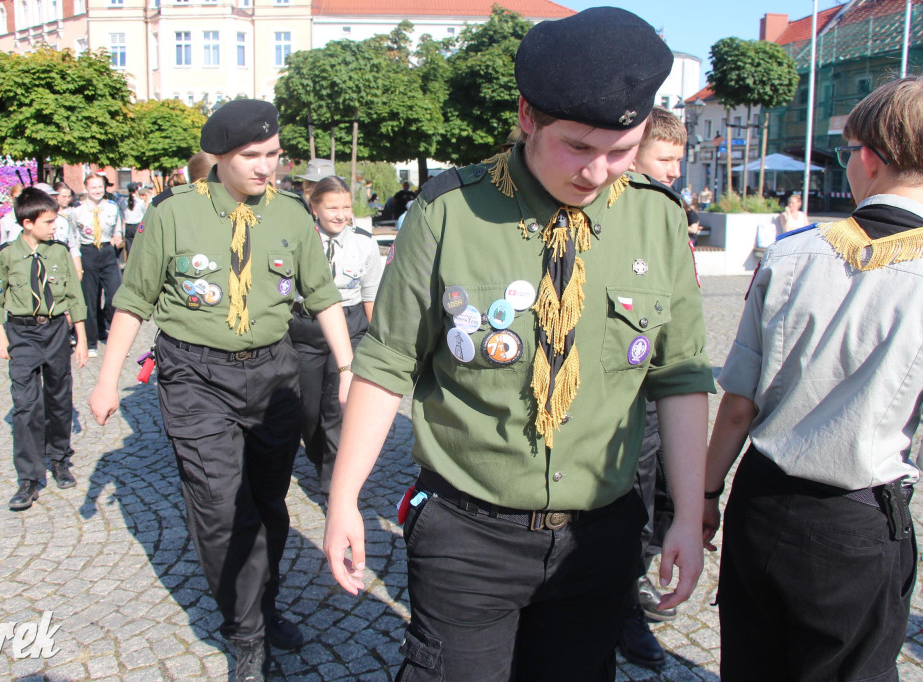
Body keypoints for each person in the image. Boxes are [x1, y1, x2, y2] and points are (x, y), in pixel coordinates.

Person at [323, 8, 715, 680]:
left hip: (598, 540)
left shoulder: (655, 217)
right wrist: (342, 498)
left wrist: (686, 513)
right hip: (465, 536)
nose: (597, 173)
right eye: (578, 147)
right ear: (529, 117)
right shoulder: (449, 211)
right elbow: (386, 362)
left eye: (621, 152)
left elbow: (678, 376)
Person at [88, 99, 355, 681]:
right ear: (220, 157)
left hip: (273, 375)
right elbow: (133, 300)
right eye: (253, 157)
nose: (268, 168)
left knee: (267, 503)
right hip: (194, 377)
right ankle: (246, 632)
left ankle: (265, 600)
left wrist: (349, 366)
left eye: (275, 156)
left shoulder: (288, 214)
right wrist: (108, 378)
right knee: (218, 508)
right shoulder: (175, 213)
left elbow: (323, 294)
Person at [703, 76, 923, 681]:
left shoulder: (791, 254)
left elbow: (739, 405)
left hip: (761, 498)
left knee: (751, 662)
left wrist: (703, 496)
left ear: (872, 158)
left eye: (849, 151)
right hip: (855, 518)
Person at [617, 104, 689, 670]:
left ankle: (630, 585)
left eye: (677, 161)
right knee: (630, 500)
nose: (673, 171)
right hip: (621, 396)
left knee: (660, 492)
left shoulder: (666, 211)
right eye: (663, 159)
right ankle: (621, 607)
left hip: (660, 385)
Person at [0, 188, 88, 510]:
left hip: (56, 330)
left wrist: (81, 338)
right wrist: (0, 336)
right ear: (27, 223)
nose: (54, 226)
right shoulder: (6, 256)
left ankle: (59, 458)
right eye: (48, 221)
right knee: (26, 407)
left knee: (59, 398)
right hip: (22, 333)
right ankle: (28, 478)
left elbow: (74, 296)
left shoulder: (58, 253)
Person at [290, 176, 383, 495]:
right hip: (307, 327)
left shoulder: (364, 242)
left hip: (351, 322)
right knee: (308, 407)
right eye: (332, 207)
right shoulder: (297, 241)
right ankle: (317, 454)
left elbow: (370, 293)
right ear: (314, 207)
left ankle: (335, 484)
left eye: (346, 206)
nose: (341, 214)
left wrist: (376, 337)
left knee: (337, 403)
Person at [71, 174, 124, 358]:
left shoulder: (112, 208)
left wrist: (118, 237)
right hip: (88, 253)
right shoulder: (77, 212)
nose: (97, 190)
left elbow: (118, 229)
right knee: (89, 299)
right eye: (93, 187)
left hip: (108, 252)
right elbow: (73, 236)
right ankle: (91, 341)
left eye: (100, 186)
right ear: (86, 189)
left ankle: (115, 337)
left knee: (114, 296)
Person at [51, 182, 83, 279]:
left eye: (69, 197)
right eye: (64, 196)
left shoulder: (72, 212)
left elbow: (76, 230)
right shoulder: (52, 214)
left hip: (72, 250)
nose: (67, 199)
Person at [120, 182, 146, 259]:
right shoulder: (140, 202)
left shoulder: (123, 202)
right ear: (136, 190)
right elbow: (144, 214)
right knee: (139, 247)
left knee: (129, 248)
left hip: (128, 226)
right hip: (138, 226)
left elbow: (122, 215)